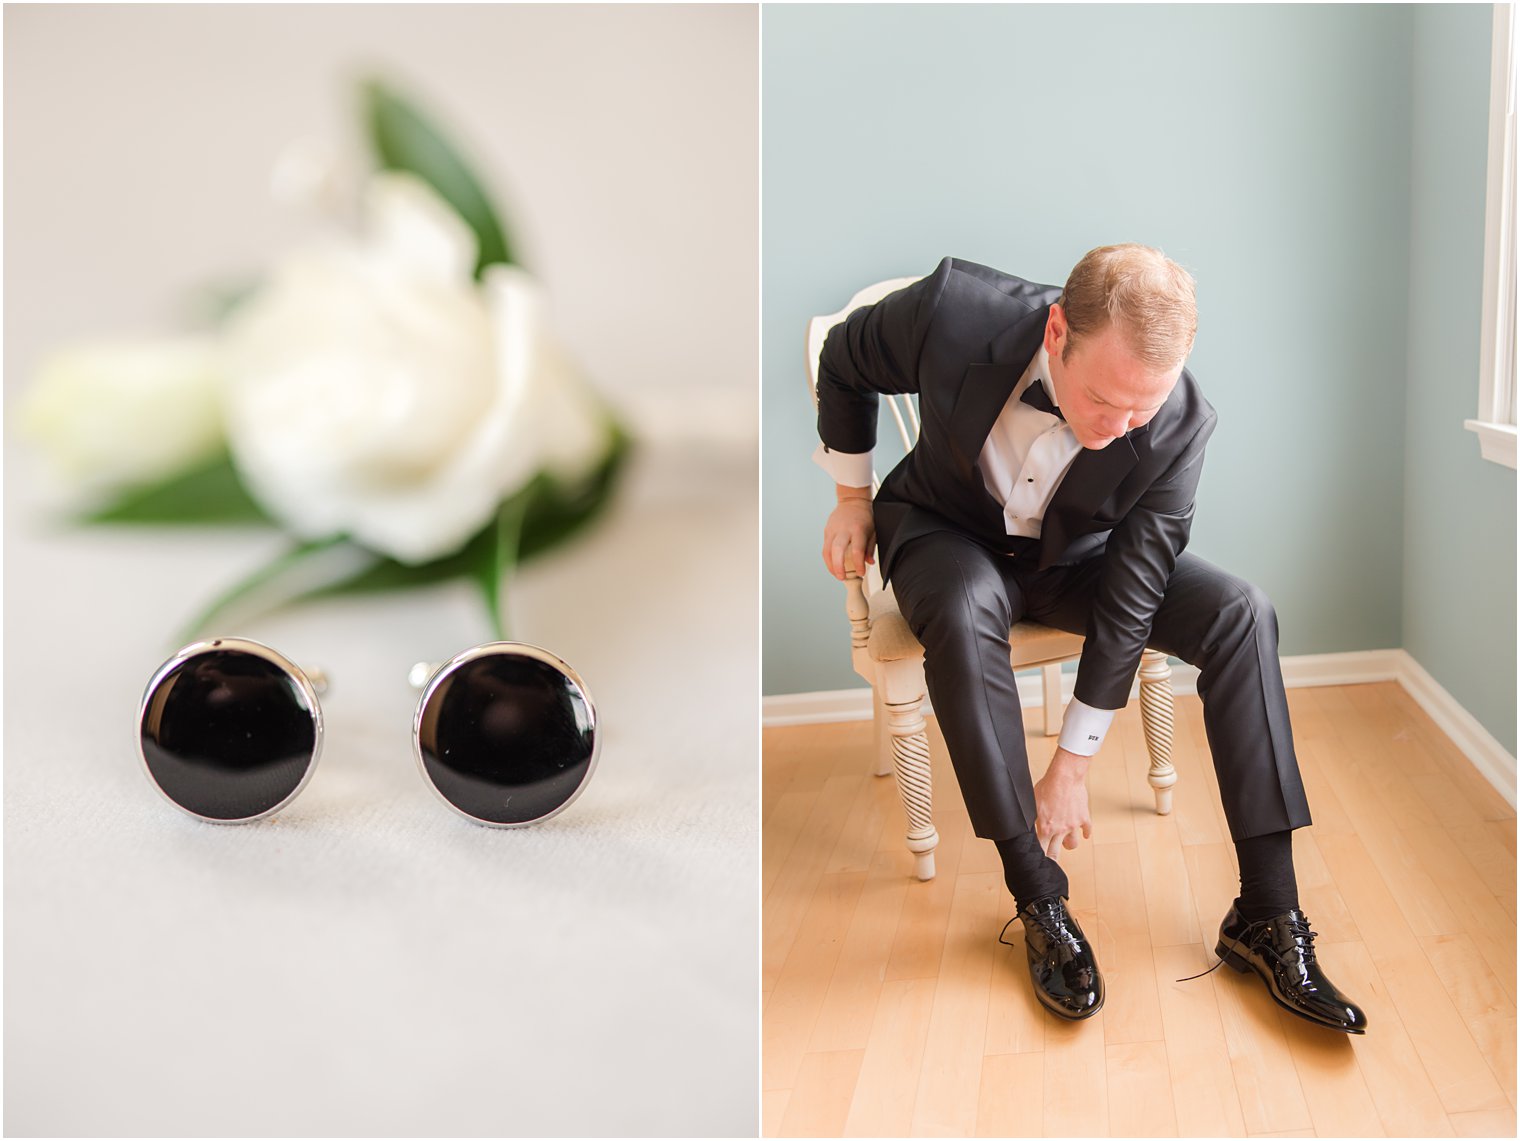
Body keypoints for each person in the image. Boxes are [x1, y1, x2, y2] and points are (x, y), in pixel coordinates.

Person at [813, 246, 1366, 1032]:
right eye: (1105, 401)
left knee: (1242, 610)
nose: (1119, 430)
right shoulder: (952, 313)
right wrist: (851, 495)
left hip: (1079, 559)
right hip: (947, 531)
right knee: (967, 612)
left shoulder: (1177, 421)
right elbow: (843, 359)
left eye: (1142, 410)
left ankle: (1268, 913)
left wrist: (1073, 760)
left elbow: (1135, 591)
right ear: (1058, 330)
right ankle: (1037, 894)